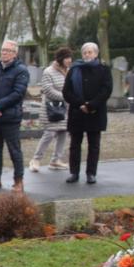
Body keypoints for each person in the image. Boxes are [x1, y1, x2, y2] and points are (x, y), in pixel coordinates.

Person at [0, 40, 29, 192]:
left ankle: (18, 181)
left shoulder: (21, 71)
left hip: (10, 117)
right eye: (3, 50)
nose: (4, 53)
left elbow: (18, 93)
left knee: (14, 150)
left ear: (15, 54)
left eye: (8, 51)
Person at [63, 42, 113, 184]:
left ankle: (91, 173)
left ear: (96, 54)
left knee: (94, 145)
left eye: (90, 52)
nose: (87, 55)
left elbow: (106, 90)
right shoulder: (74, 69)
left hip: (95, 112)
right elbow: (66, 91)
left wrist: (91, 105)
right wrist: (80, 104)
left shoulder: (103, 69)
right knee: (75, 145)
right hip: (77, 112)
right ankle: (74, 173)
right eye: (85, 52)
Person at [30, 46, 73, 172]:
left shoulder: (69, 71)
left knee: (63, 133)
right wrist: (66, 97)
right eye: (66, 58)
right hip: (52, 108)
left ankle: (56, 160)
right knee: (49, 133)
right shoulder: (49, 71)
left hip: (65, 108)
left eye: (70, 57)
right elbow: (48, 90)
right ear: (60, 59)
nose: (69, 60)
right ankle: (36, 159)